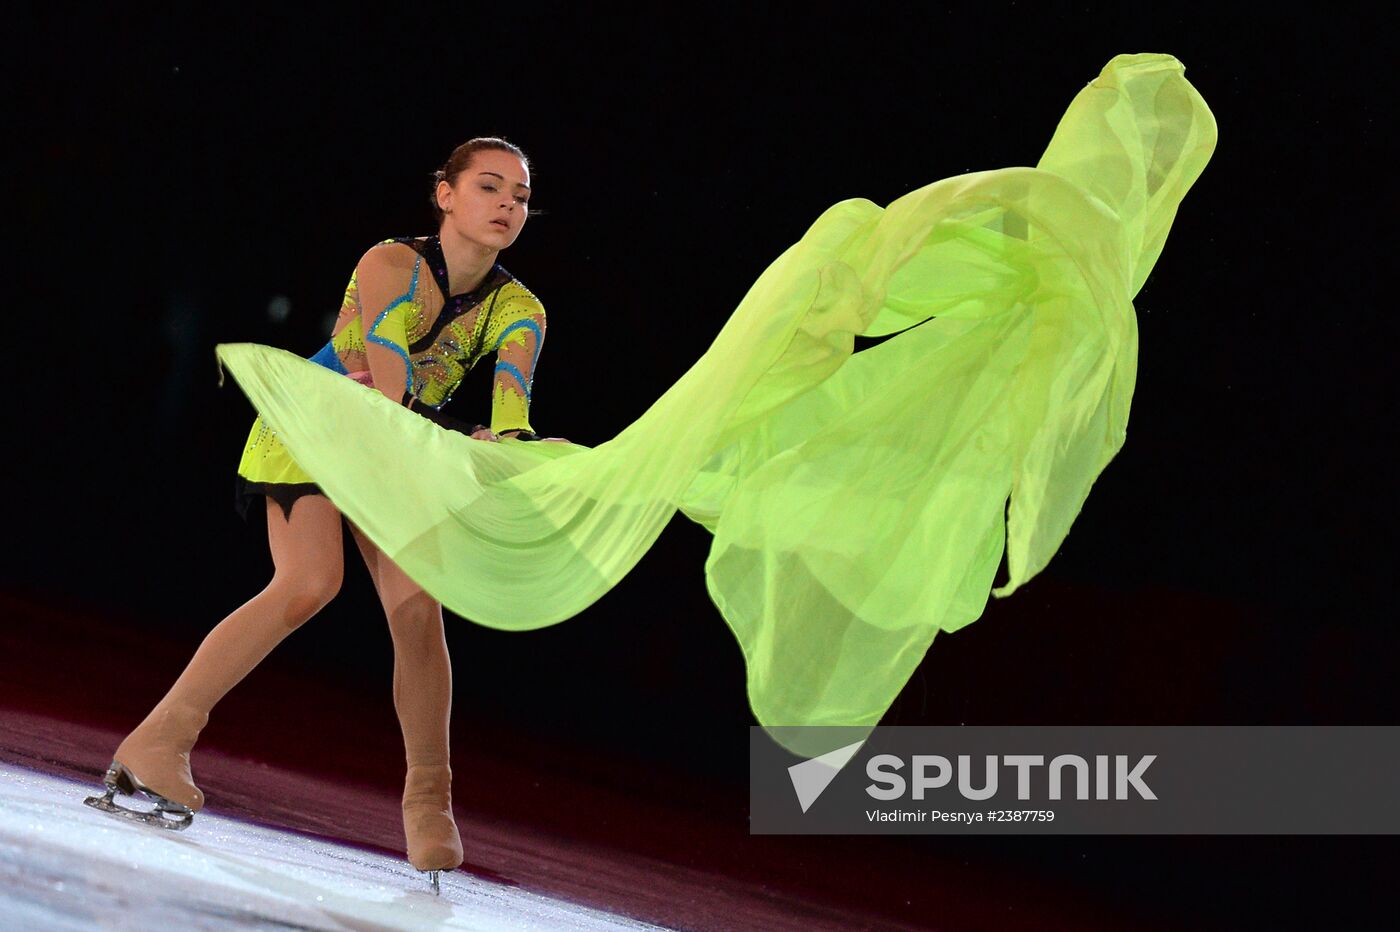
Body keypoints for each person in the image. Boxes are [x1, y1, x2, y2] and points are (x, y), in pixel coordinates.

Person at [85, 137, 566, 892]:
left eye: (520, 193)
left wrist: (506, 446)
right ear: (444, 194)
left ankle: (430, 803)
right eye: (488, 187)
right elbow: (390, 369)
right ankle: (162, 739)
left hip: (398, 447)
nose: (508, 203)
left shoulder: (521, 308)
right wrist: (440, 437)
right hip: (315, 425)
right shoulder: (389, 263)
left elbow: (512, 404)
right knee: (310, 582)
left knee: (418, 610)